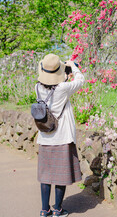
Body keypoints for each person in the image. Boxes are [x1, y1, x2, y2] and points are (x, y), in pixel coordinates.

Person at [35, 54, 85, 217]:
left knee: (46, 176)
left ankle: (44, 210)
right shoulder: (63, 88)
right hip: (62, 137)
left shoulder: (37, 87)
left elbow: (52, 84)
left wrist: (63, 74)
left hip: (45, 137)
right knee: (61, 175)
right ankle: (57, 209)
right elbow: (80, 81)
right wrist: (73, 66)